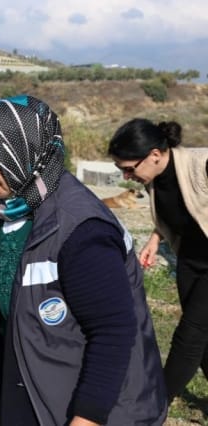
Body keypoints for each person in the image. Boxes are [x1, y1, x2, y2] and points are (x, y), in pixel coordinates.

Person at [0, 96, 167, 425]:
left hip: (78, 395)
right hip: (34, 373)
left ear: (24, 152)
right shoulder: (19, 204)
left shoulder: (82, 229)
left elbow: (113, 333)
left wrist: (87, 418)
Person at [108, 118, 208, 404]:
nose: (126, 177)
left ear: (154, 155)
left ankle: (155, 403)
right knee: (204, 341)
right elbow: (182, 209)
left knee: (191, 334)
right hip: (190, 260)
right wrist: (156, 238)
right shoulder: (155, 176)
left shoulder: (202, 164)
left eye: (129, 169)